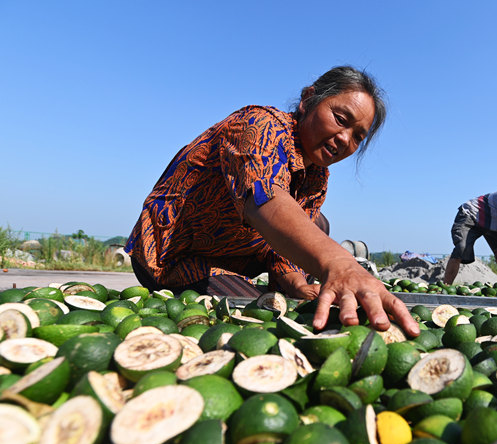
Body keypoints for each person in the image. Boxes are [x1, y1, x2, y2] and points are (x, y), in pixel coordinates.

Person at [125, 66, 418, 337]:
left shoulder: (317, 176)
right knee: (258, 321)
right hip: (174, 256)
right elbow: (265, 199)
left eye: (358, 137)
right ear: (308, 99)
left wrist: (296, 283)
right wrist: (342, 265)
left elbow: (283, 242)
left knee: (316, 224)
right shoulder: (259, 125)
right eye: (341, 120)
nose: (345, 139)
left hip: (235, 253)